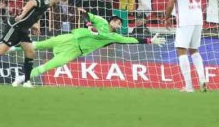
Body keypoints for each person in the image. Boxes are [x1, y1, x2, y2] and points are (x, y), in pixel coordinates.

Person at [30, 10, 163, 82]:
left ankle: (26, 77)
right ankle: (17, 45)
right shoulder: (101, 21)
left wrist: (149, 40)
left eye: (120, 25)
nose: (119, 26)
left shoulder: (114, 36)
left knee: (53, 64)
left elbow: (131, 40)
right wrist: (88, 24)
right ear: (112, 20)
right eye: (118, 23)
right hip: (72, 37)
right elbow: (83, 12)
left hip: (77, 50)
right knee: (41, 44)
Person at [163, 0, 207, 92]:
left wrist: (166, 18)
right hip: (198, 17)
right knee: (194, 50)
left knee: (181, 50)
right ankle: (202, 79)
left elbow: (171, 2)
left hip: (186, 18)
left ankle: (189, 86)